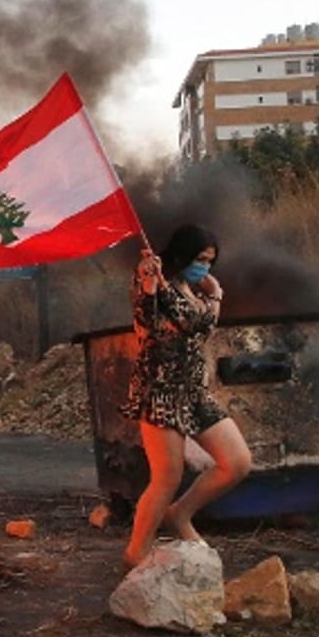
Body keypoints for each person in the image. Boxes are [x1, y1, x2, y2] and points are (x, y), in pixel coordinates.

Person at [119, 223, 252, 569]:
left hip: (194, 392)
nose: (205, 267)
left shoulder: (188, 290)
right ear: (182, 254)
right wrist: (215, 294)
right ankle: (136, 553)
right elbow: (190, 322)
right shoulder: (155, 283)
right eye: (199, 259)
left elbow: (201, 322)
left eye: (210, 261)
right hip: (160, 391)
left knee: (237, 462)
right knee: (167, 477)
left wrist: (210, 294)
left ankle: (179, 516)